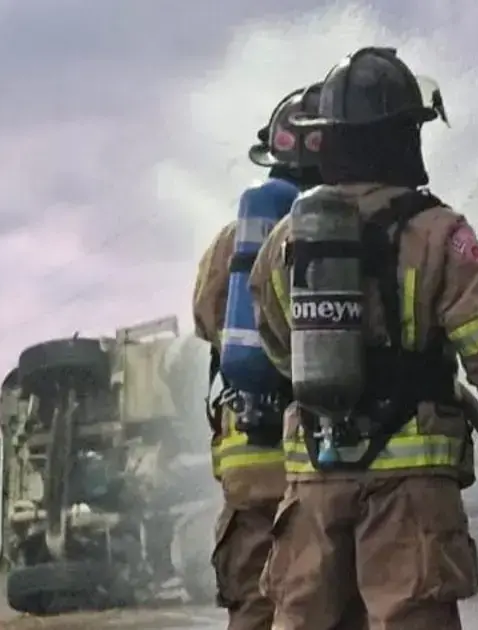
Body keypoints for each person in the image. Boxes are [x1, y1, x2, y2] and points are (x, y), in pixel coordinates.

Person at [249, 47, 478, 630]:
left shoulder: (288, 237)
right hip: (408, 492)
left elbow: (275, 342)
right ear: (403, 135)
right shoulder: (441, 234)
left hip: (313, 478)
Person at [191, 84, 324, 630]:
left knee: (255, 608)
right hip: (325, 463)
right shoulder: (351, 230)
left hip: (250, 468)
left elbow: (206, 318)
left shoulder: (235, 241)